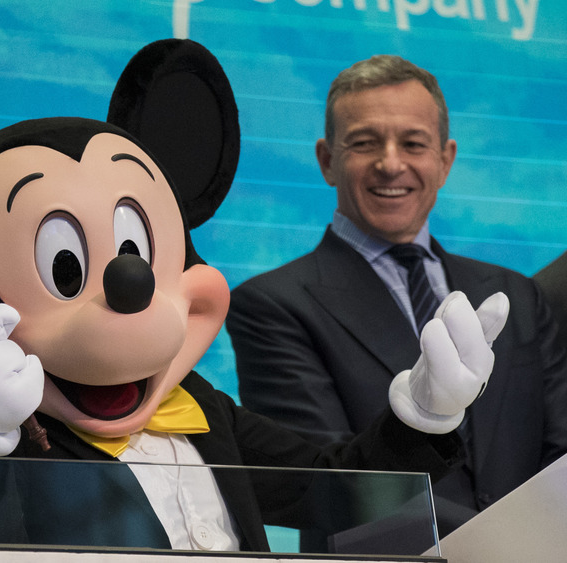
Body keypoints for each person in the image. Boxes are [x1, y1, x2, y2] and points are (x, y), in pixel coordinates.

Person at [226, 55, 567, 538]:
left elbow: (560, 456)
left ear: (445, 160)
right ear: (327, 160)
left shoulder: (517, 294)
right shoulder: (271, 304)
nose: (391, 163)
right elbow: (326, 484)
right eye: (365, 143)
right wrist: (490, 544)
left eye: (413, 143)